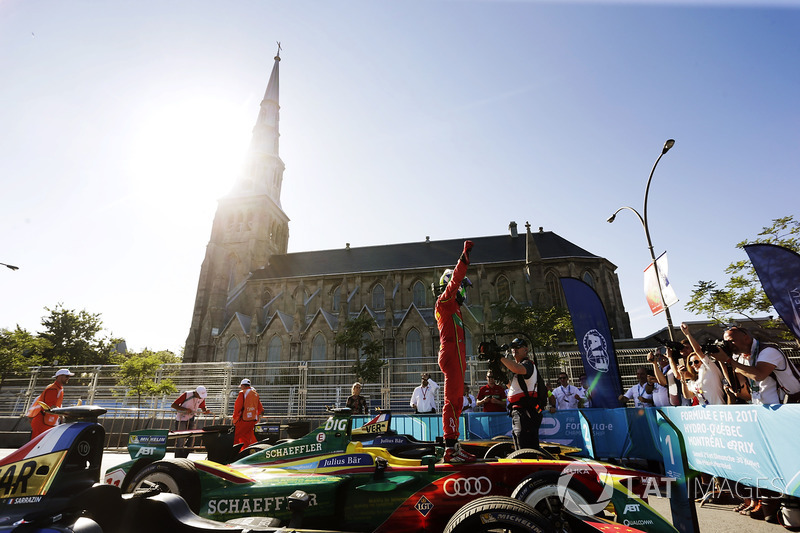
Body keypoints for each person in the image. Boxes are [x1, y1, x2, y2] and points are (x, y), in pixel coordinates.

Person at [434, 240, 476, 463]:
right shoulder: (445, 301)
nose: (463, 289)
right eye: (461, 285)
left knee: (457, 401)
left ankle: (455, 444)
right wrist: (463, 259)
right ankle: (450, 448)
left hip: (457, 355)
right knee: (451, 400)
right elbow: (455, 281)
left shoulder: (455, 307)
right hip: (451, 354)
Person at [715, 326, 800, 405]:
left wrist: (728, 360)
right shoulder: (740, 358)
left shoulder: (769, 351)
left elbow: (759, 375)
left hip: (788, 406)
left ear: (746, 338)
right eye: (726, 342)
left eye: (731, 341)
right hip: (762, 408)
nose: (729, 345)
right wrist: (721, 360)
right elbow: (737, 389)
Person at [500, 337, 543, 450]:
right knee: (520, 443)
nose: (514, 349)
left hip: (526, 412)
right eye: (513, 348)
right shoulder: (519, 368)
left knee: (525, 446)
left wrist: (499, 357)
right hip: (519, 411)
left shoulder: (527, 364)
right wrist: (505, 381)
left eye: (517, 347)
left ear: (526, 349)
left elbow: (517, 369)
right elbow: (515, 390)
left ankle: (531, 466)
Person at [28, 368, 74, 440]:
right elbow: (51, 406)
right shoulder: (53, 389)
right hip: (42, 421)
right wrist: (63, 413)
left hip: (47, 421)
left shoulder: (58, 388)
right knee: (37, 445)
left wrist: (61, 416)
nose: (68, 378)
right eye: (67, 376)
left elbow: (56, 405)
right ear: (60, 376)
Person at [172, 385, 211, 458]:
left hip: (192, 418)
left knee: (191, 440)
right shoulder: (187, 394)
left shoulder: (201, 398)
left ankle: (184, 457)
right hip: (181, 419)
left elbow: (202, 407)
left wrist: (205, 411)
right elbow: (174, 405)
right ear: (196, 392)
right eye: (199, 395)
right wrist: (185, 409)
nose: (200, 397)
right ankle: (177, 458)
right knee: (180, 440)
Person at [232, 379, 264, 447]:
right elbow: (260, 408)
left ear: (243, 385)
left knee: (235, 437)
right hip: (252, 420)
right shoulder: (255, 394)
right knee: (246, 438)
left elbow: (238, 407)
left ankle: (235, 454)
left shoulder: (242, 393)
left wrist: (235, 418)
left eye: (241, 386)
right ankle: (245, 453)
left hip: (243, 419)